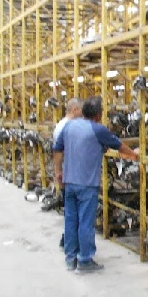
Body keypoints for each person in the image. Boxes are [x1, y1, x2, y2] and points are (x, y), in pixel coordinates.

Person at [53, 96, 138, 272]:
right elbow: (120, 146)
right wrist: (134, 155)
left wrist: (58, 172)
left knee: (71, 220)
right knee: (85, 222)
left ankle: (70, 258)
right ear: (99, 115)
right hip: (86, 183)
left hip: (69, 181)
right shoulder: (98, 130)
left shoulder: (69, 126)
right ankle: (84, 260)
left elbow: (57, 149)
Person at [53, 98, 82, 249]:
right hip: (69, 175)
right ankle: (70, 244)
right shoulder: (66, 126)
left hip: (68, 173)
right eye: (81, 110)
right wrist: (59, 172)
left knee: (71, 212)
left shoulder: (63, 124)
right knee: (73, 213)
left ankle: (68, 240)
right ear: (75, 110)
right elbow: (58, 151)